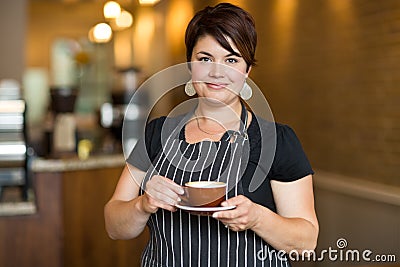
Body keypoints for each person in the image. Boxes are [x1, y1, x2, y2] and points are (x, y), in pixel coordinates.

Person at [104, 3, 319, 266]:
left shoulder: (276, 140)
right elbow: (114, 225)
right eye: (205, 59)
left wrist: (257, 218)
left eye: (231, 60)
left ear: (247, 71)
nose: (217, 72)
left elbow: (306, 243)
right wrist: (143, 204)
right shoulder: (157, 133)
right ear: (190, 65)